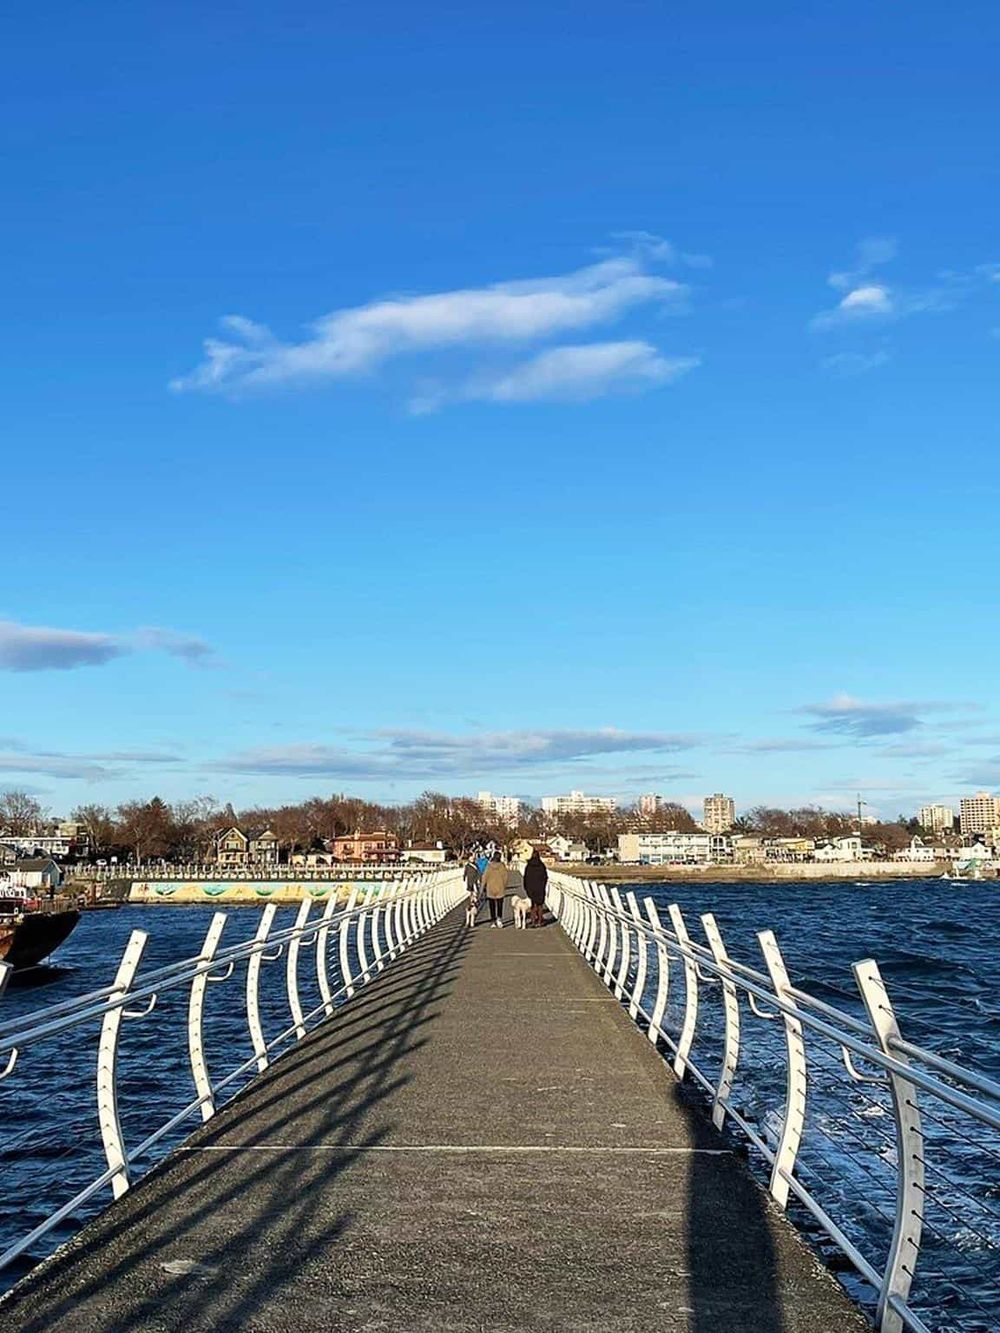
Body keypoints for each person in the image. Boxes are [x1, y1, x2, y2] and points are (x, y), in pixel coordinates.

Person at [482, 852, 508, 927]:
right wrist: (504, 885)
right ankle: (499, 919)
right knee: (500, 905)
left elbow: (484, 877)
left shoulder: (489, 866)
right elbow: (505, 877)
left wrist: (482, 888)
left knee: (492, 905)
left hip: (490, 888)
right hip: (500, 888)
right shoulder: (502, 866)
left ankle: (493, 921)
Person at [523, 848, 548, 927]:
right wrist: (543, 885)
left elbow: (525, 877)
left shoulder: (529, 866)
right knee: (540, 905)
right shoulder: (541, 866)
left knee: (533, 906)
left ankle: (533, 921)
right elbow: (545, 877)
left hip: (531, 889)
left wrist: (526, 887)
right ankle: (540, 921)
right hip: (540, 888)